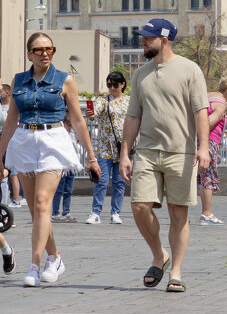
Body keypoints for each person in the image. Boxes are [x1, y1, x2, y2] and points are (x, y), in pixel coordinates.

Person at [0, 32, 102, 288]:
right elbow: (12, 119)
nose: (45, 53)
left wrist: (91, 156)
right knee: (37, 211)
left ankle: (34, 266)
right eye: (38, 49)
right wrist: (0, 156)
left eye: (49, 49)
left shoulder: (64, 79)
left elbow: (78, 119)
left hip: (53, 139)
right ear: (29, 54)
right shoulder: (19, 80)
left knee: (43, 202)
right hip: (24, 140)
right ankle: (55, 258)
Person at [119, 18, 209, 294]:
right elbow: (133, 115)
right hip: (146, 151)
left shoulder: (189, 70)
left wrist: (203, 147)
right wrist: (125, 153)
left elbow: (200, 112)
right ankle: (159, 254)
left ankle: (176, 271)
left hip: (181, 152)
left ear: (165, 40)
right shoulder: (140, 74)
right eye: (142, 37)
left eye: (148, 38)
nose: (142, 41)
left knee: (178, 212)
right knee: (139, 206)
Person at [87, 71, 129, 225]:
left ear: (122, 84)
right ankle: (95, 212)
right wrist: (91, 113)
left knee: (120, 182)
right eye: (109, 84)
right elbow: (94, 113)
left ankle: (116, 212)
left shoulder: (129, 101)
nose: (111, 88)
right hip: (105, 147)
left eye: (115, 84)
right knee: (101, 180)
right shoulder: (103, 100)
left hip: (124, 148)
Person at [198, 74, 227, 225]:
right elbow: (206, 124)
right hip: (209, 142)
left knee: (196, 176)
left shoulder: (207, 96)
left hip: (196, 141)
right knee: (207, 177)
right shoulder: (221, 104)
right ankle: (206, 214)